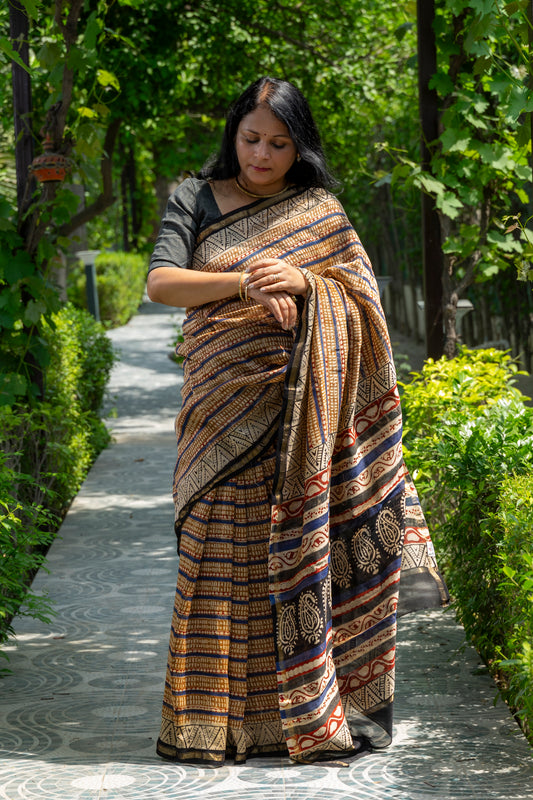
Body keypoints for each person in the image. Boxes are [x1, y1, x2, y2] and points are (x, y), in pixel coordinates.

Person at [147, 76, 448, 768]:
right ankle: (210, 727)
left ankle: (295, 723)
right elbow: (163, 283)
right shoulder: (194, 199)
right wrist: (250, 278)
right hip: (217, 417)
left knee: (293, 566)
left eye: (278, 143)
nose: (261, 154)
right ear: (233, 134)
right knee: (213, 563)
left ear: (298, 147)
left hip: (301, 425)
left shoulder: (319, 210)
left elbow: (359, 300)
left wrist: (308, 287)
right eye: (251, 138)